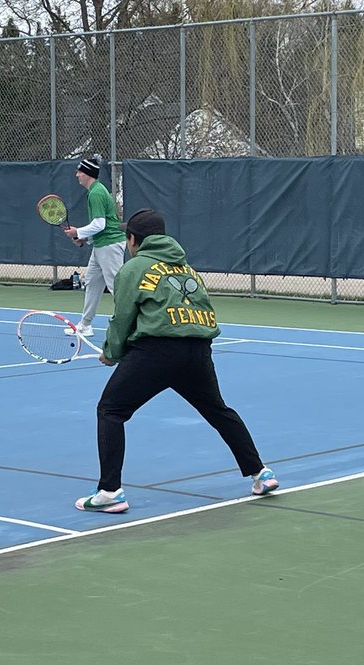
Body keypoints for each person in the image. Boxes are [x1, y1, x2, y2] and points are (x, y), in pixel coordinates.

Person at [75, 208, 278, 513]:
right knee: (218, 410)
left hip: (157, 352)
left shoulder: (134, 269)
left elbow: (123, 318)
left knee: (111, 410)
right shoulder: (187, 270)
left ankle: (109, 491)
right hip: (198, 351)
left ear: (133, 240)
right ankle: (261, 473)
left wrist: (111, 353)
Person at [61, 155, 125, 337]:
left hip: (110, 245)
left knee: (117, 287)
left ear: (88, 174)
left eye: (80, 172)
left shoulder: (96, 193)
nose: (77, 175)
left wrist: (78, 232)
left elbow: (100, 224)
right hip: (101, 245)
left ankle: (135, 324)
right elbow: (100, 227)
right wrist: (85, 239)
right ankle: (85, 325)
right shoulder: (96, 191)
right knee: (92, 283)